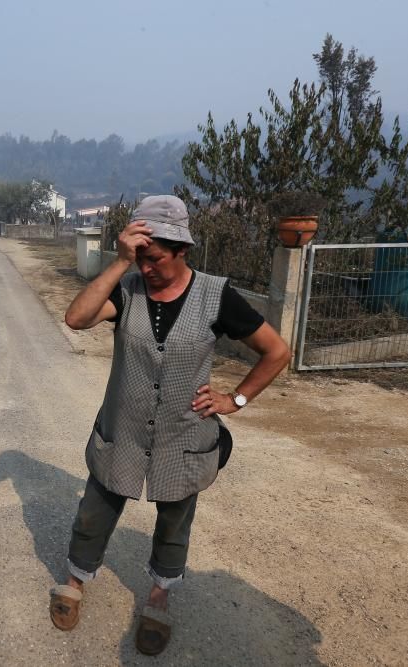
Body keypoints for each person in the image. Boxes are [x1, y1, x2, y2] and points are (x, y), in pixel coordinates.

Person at [49, 195, 291, 656]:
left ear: (182, 250)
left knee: (175, 521)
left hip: (184, 436)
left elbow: (277, 351)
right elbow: (76, 318)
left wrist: (234, 399)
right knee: (95, 508)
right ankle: (74, 581)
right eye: (139, 256)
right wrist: (120, 263)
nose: (147, 267)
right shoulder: (128, 288)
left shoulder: (216, 296)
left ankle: (158, 599)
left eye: (154, 257)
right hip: (122, 429)